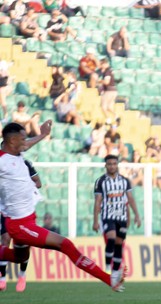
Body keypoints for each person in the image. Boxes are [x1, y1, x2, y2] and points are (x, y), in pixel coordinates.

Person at [0, 122, 125, 292]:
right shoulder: (2, 161)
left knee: (19, 256)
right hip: (20, 225)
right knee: (65, 244)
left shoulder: (15, 152)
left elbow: (27, 145)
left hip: (28, 218)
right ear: (12, 140)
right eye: (23, 139)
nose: (26, 142)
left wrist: (43, 135)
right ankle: (109, 279)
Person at [94, 154, 141, 274]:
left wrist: (137, 215)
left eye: (114, 164)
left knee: (119, 243)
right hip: (107, 215)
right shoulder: (100, 181)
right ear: (106, 165)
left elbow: (130, 198)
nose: (112, 166)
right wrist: (95, 221)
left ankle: (115, 271)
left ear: (117, 165)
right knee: (111, 237)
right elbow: (98, 201)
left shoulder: (125, 181)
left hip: (122, 216)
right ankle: (108, 265)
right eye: (109, 164)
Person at [0, 155, 41, 292]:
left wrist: (22, 187)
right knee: (5, 240)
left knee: (24, 244)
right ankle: (2, 278)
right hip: (6, 210)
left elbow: (38, 183)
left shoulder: (25, 164)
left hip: (23, 211)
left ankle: (22, 274)